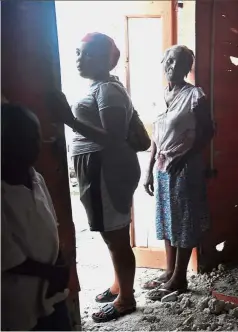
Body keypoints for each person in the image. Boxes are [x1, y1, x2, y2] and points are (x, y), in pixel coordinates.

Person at [48, 32, 140, 322]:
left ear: (103, 59)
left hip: (106, 168)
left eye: (86, 53)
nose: (78, 59)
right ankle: (118, 286)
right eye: (77, 52)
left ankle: (126, 299)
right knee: (110, 233)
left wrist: (70, 120)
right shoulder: (101, 86)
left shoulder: (108, 91)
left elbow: (114, 139)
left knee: (116, 237)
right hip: (98, 167)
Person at [143, 45, 214, 301]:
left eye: (179, 62)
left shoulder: (195, 95)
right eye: (169, 61)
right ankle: (169, 271)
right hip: (163, 167)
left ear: (187, 68)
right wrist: (149, 170)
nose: (172, 66)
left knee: (184, 221)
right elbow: (156, 138)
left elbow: (208, 132)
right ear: (163, 63)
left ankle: (180, 278)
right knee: (166, 218)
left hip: (186, 167)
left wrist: (183, 156)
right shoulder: (162, 95)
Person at [1, 103, 71, 331]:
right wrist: (52, 273)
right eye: (25, 138)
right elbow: (7, 256)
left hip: (52, 289)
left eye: (37, 136)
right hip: (20, 295)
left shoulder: (35, 178)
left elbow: (51, 225)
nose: (36, 145)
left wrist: (59, 261)